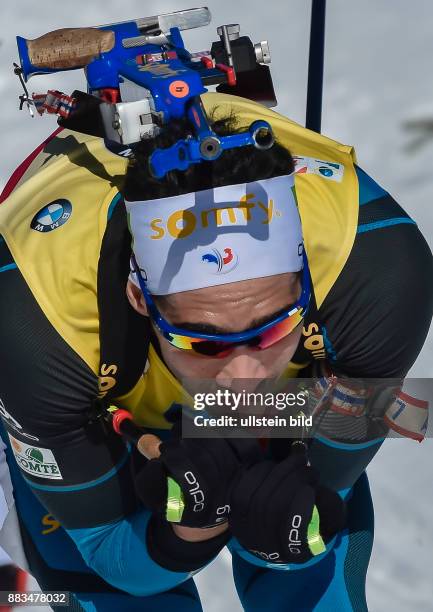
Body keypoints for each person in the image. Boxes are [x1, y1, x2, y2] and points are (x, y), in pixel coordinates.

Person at [0, 91, 432, 611]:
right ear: (139, 298)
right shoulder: (36, 329)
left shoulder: (378, 280)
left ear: (307, 285)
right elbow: (111, 556)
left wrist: (282, 535)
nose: (244, 377)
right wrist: (187, 537)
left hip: (291, 402)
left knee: (302, 559)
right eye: (205, 341)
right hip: (86, 399)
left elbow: (319, 503)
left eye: (272, 330)